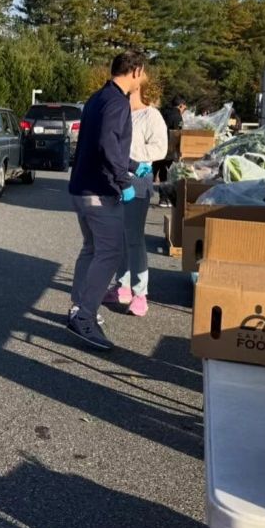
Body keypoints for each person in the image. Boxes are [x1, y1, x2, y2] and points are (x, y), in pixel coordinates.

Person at [66, 50, 150, 350]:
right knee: (111, 253)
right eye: (146, 72)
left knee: (91, 250)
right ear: (136, 71)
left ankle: (78, 308)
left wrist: (131, 164)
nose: (146, 78)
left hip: (81, 188)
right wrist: (124, 181)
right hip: (100, 192)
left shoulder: (97, 98)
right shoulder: (118, 102)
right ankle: (85, 317)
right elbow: (106, 145)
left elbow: (103, 143)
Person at [103, 82, 167, 316]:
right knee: (118, 237)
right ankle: (123, 287)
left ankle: (141, 293)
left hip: (137, 183)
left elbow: (161, 149)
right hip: (113, 182)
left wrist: (130, 159)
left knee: (134, 238)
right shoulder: (119, 113)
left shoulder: (152, 115)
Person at [155, 95, 186, 207]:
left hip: (156, 146)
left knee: (153, 172)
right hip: (168, 148)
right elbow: (178, 133)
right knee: (166, 174)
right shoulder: (177, 116)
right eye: (184, 108)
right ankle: (164, 199)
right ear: (181, 105)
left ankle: (145, 194)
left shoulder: (162, 112)